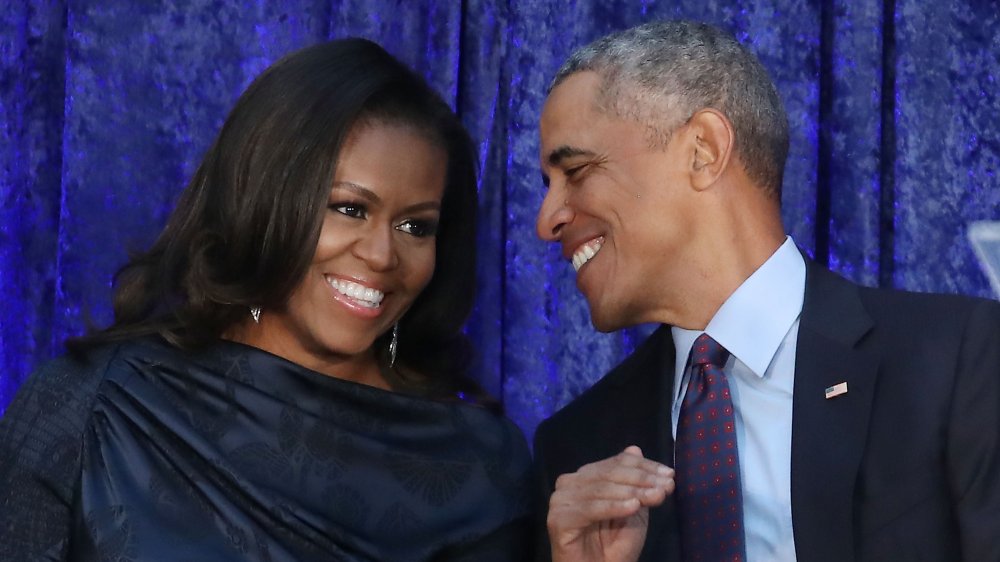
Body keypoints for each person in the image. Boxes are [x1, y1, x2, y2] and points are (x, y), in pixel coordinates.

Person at [0, 38, 532, 561]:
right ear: (260, 201)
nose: (381, 254)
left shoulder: (478, 467)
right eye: (348, 209)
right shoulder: (94, 403)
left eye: (416, 225)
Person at [532, 20, 1000, 562]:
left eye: (578, 170)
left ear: (703, 150)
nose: (547, 220)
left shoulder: (957, 359)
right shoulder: (577, 449)